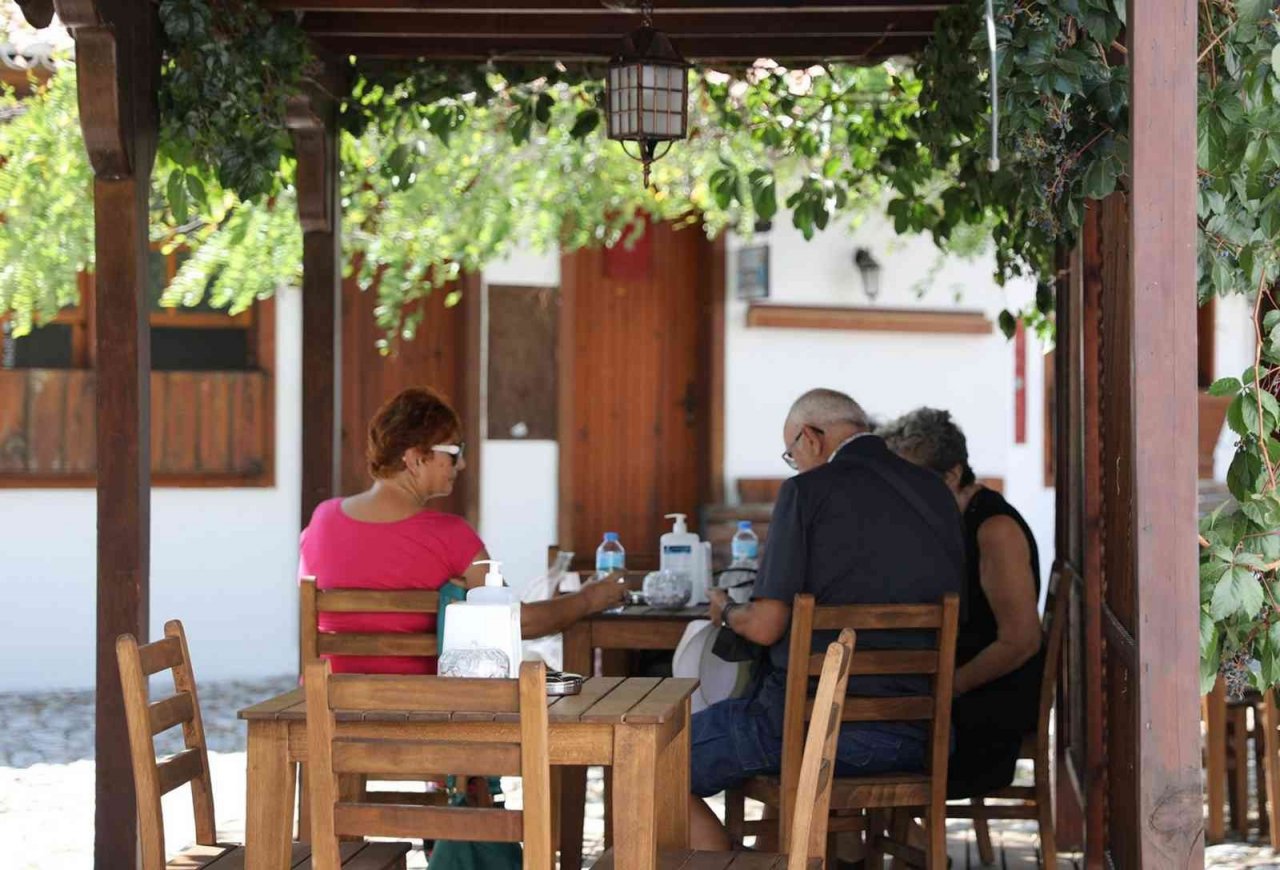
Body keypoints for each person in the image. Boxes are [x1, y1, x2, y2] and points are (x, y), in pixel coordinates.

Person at [690, 388, 965, 850]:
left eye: (791, 453)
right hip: (919, 735)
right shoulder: (934, 491)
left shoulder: (805, 493)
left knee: (650, 755)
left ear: (811, 438)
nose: (794, 464)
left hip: (807, 731)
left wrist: (728, 610)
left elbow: (766, 627)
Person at [298, 385, 626, 674]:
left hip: (327, 705)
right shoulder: (450, 536)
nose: (462, 465)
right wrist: (589, 598)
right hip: (418, 713)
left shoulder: (322, 519)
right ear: (414, 459)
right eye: (454, 452)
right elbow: (519, 623)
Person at [880, 406, 1043, 797]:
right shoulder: (944, 521)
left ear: (952, 474)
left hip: (988, 709)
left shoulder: (994, 529)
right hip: (958, 694)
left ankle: (903, 844)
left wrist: (947, 689)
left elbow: (1021, 640)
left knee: (870, 737)